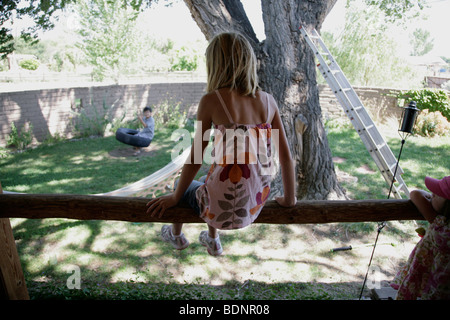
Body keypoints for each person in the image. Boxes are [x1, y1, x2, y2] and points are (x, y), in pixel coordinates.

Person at [146, 32, 296, 256]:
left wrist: (176, 196)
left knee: (185, 184)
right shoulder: (268, 101)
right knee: (211, 181)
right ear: (248, 62)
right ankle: (212, 240)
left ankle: (175, 235)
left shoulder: (211, 101)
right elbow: (285, 157)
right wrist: (290, 199)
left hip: (219, 208)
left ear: (215, 64)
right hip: (253, 205)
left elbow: (197, 158)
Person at [390, 175, 450, 299]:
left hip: (430, 285)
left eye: (437, 195)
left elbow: (416, 194)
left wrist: (429, 197)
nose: (432, 194)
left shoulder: (440, 225)